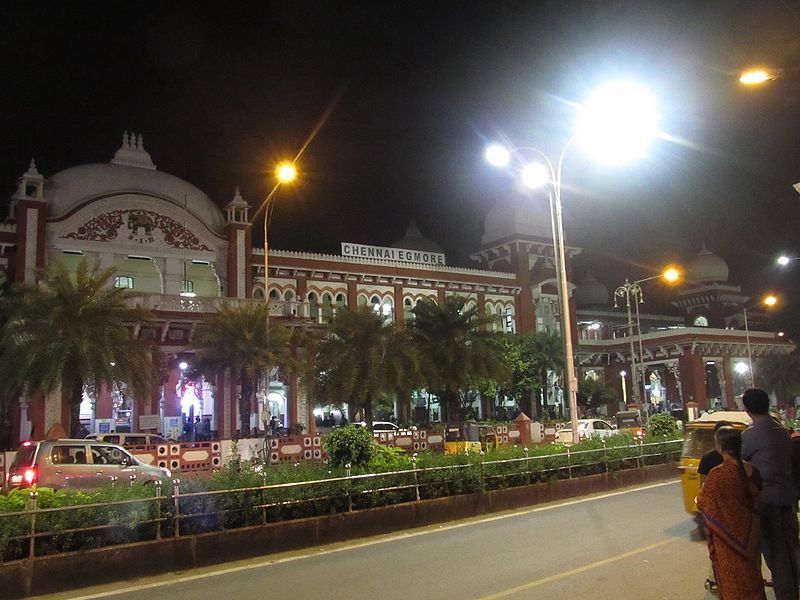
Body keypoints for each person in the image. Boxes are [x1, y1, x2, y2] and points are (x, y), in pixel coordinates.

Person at [741, 388, 799, 600]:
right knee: (792, 552)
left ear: (747, 410)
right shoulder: (783, 431)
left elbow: (739, 463)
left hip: (767, 501)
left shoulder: (750, 435)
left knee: (776, 557)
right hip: (788, 499)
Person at [697, 426, 766, 599]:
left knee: (732, 583)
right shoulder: (752, 470)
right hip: (751, 536)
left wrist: (699, 501)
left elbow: (704, 502)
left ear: (720, 446)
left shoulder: (717, 474)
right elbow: (757, 498)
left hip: (727, 541)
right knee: (753, 578)